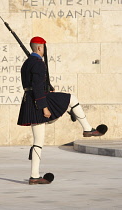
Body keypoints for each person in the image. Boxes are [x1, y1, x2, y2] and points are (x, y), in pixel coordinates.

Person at [17, 36, 107, 185]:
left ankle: (34, 176)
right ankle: (87, 129)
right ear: (40, 48)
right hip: (38, 101)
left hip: (29, 101)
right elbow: (38, 88)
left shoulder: (26, 63)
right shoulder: (38, 63)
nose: (44, 51)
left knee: (38, 142)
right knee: (72, 98)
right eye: (44, 48)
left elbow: (32, 86)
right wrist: (44, 107)